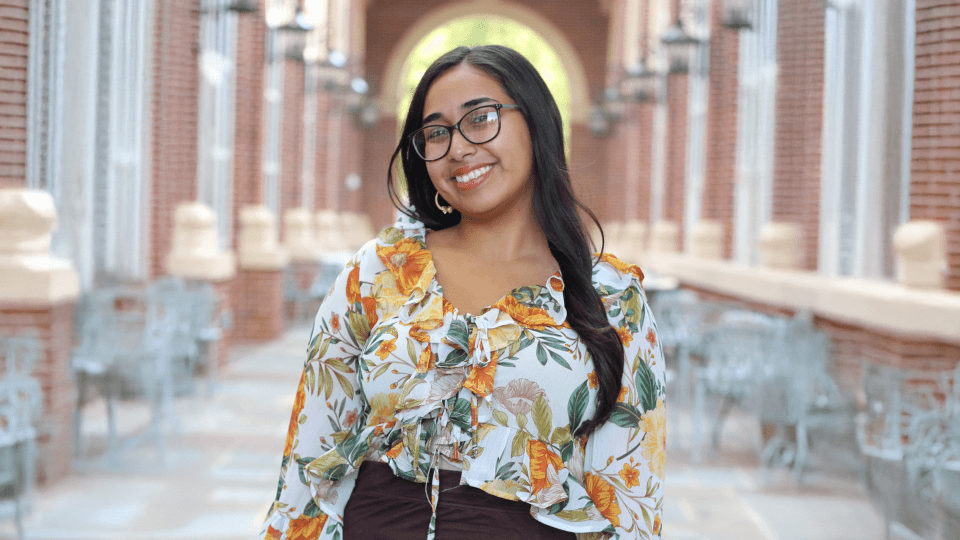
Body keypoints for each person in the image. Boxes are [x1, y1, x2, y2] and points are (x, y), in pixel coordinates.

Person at [260, 45, 665, 540]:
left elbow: (631, 498)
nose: (458, 148)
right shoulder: (378, 271)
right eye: (436, 132)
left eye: (480, 118)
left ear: (535, 122)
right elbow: (308, 460)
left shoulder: (613, 297)